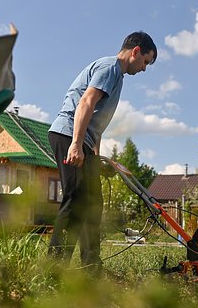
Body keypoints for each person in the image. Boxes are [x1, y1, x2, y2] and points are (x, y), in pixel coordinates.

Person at [47, 31, 157, 271]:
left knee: (93, 203)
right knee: (75, 199)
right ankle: (53, 269)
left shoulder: (116, 75)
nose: (144, 68)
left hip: (83, 139)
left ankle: (91, 267)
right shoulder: (110, 68)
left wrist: (95, 157)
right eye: (146, 62)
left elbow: (96, 122)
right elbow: (86, 102)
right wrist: (76, 144)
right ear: (136, 51)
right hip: (68, 135)